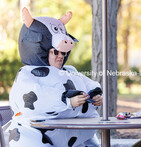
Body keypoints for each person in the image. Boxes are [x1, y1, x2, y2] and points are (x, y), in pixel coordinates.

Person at [3, 8, 102, 147]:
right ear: (39, 49)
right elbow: (36, 100)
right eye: (55, 52)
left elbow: (88, 84)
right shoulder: (27, 75)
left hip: (70, 136)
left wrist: (95, 94)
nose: (60, 56)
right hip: (34, 135)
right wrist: (66, 101)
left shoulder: (69, 71)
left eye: (63, 52)